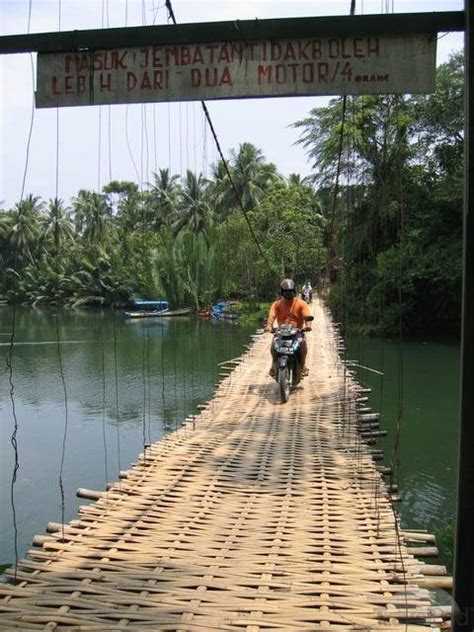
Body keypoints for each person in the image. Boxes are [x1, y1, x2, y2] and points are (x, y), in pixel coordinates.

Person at [265, 278, 312, 377]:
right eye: (286, 292)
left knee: (302, 343)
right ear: (282, 292)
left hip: (297, 332)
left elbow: (306, 315)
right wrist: (269, 326)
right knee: (274, 344)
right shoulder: (277, 304)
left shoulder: (301, 303)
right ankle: (273, 364)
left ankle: (303, 364)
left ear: (294, 291)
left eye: (290, 292)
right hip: (281, 331)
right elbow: (272, 316)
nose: (288, 294)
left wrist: (308, 325)